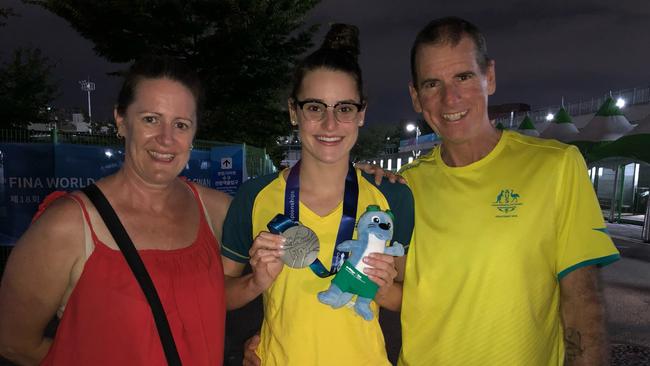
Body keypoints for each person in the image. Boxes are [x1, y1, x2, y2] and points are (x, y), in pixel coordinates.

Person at [396, 17, 620, 365]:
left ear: (490, 77)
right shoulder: (403, 187)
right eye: (431, 84)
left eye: (464, 77)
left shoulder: (555, 167)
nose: (449, 98)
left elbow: (581, 304)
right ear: (415, 96)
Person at [0, 56, 231, 365]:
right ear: (121, 121)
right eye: (150, 119)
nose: (166, 138)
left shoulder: (217, 210)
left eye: (181, 125)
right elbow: (13, 342)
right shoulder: (67, 226)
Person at [221, 24, 414, 365]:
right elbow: (221, 294)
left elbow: (407, 298)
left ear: (361, 113)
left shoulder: (392, 198)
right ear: (294, 111)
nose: (329, 124)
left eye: (344, 108)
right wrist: (255, 282)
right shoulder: (254, 196)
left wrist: (383, 290)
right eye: (315, 108)